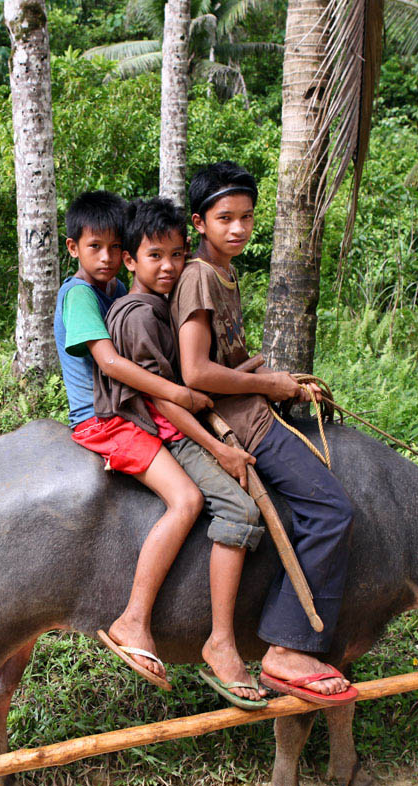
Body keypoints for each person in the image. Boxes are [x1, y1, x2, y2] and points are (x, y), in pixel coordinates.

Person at [171, 161, 358, 705]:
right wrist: (273, 385)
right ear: (199, 223)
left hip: (253, 404)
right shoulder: (200, 276)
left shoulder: (225, 272)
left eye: (247, 217)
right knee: (331, 509)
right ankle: (286, 646)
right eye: (224, 218)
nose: (237, 228)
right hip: (243, 423)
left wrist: (281, 384)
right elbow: (195, 372)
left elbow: (222, 361)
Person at [87, 196, 268, 708]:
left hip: (179, 420)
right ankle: (215, 638)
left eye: (176, 256)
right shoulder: (140, 316)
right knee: (239, 505)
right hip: (166, 431)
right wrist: (218, 448)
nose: (167, 267)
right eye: (153, 257)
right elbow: (165, 396)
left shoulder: (161, 307)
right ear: (130, 261)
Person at [53, 189, 212, 688]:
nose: (103, 258)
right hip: (103, 419)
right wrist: (178, 394)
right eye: (93, 246)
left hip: (129, 408)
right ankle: (134, 619)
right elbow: (110, 362)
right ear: (72, 247)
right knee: (186, 499)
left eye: (111, 248)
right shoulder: (79, 294)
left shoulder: (115, 288)